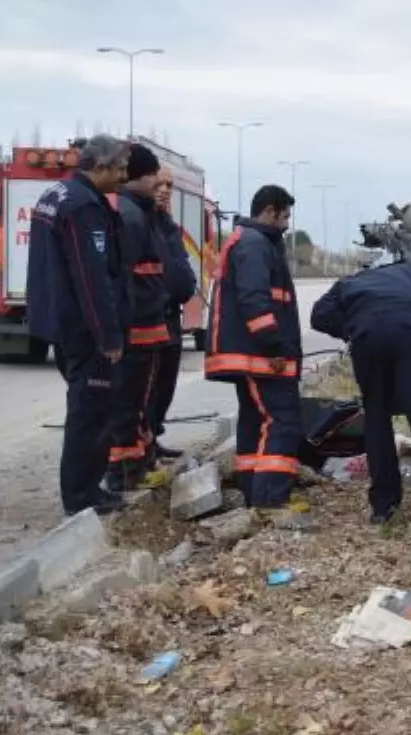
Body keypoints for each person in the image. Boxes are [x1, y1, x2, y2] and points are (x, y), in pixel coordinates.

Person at [311, 257, 411, 537]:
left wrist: (351, 328)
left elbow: (319, 315)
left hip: (367, 336)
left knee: (377, 420)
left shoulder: (353, 280)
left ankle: (384, 508)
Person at [25, 134, 131, 516]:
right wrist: (109, 335)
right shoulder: (84, 207)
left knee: (86, 409)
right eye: (119, 168)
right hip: (85, 330)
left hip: (62, 321)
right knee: (91, 414)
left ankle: (84, 490)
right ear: (99, 166)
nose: (123, 176)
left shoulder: (56, 194)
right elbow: (92, 278)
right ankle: (83, 496)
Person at [204, 185, 303, 511]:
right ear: (270, 211)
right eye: (284, 216)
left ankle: (252, 491)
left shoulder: (249, 241)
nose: (287, 224)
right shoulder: (255, 244)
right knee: (281, 421)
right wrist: (274, 346)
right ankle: (270, 500)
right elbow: (255, 301)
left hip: (251, 355)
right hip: (261, 356)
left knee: (255, 420)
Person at [104, 143, 173, 492]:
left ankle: (136, 467)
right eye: (152, 177)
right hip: (138, 329)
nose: (156, 183)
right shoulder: (130, 216)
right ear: (140, 176)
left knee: (138, 402)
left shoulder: (138, 213)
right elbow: (125, 278)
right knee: (129, 403)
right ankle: (123, 474)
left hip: (145, 326)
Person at [148, 166, 199, 460]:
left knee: (164, 385)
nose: (166, 190)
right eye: (160, 184)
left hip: (170, 317)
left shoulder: (165, 222)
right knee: (149, 387)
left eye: (169, 185)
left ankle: (153, 436)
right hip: (152, 316)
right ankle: (141, 448)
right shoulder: (138, 220)